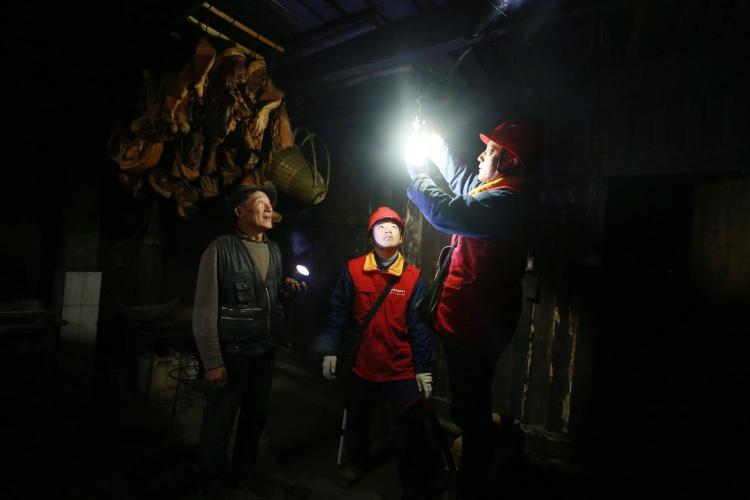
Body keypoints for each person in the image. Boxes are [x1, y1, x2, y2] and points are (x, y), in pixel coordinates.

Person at [405, 120, 541, 499]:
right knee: (470, 407)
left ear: (510, 160)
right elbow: (464, 181)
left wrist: (416, 173)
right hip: (469, 324)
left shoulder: (506, 204)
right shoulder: (498, 193)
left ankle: (470, 487)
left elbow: (446, 211)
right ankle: (473, 471)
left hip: (475, 330)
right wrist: (436, 144)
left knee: (471, 415)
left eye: (490, 150)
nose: (481, 155)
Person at [192, 184, 305, 500]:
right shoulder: (220, 249)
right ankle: (210, 484)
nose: (269, 208)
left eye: (270, 203)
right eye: (260, 202)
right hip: (231, 355)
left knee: (254, 420)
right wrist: (212, 361)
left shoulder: (274, 250)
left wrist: (287, 295)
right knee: (219, 422)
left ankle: (243, 472)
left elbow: (269, 301)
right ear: (239, 211)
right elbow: (204, 310)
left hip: (264, 352)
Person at [320, 206, 437, 500]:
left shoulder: (412, 277)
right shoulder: (353, 269)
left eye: (394, 227)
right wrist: (331, 352)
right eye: (380, 226)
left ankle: (413, 486)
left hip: (401, 367)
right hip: (362, 364)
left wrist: (423, 368)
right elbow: (338, 313)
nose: (387, 230)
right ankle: (356, 462)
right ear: (370, 236)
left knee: (409, 430)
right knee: (357, 418)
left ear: (402, 237)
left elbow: (418, 326)